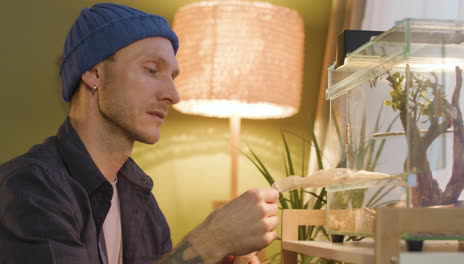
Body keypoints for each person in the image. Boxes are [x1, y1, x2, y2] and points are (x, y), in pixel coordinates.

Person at [0, 3, 279, 264]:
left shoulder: (140, 199)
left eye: (173, 77)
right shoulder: (29, 189)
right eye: (151, 70)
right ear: (93, 74)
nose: (173, 94)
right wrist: (210, 240)